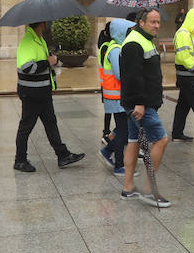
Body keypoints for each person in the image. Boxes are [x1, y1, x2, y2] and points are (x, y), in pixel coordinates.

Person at [14, 20, 85, 173]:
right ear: (40, 24)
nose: (46, 25)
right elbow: (28, 67)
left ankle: (63, 155)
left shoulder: (39, 40)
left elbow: (46, 61)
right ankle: (20, 160)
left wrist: (51, 60)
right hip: (31, 93)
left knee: (51, 122)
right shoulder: (28, 42)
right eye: (44, 23)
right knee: (26, 126)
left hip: (42, 91)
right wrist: (47, 62)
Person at [118, 7, 171, 205]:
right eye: (153, 22)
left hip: (139, 103)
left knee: (134, 141)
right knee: (161, 140)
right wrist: (139, 103)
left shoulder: (143, 40)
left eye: (158, 22)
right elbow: (133, 77)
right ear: (141, 23)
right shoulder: (134, 43)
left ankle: (128, 187)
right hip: (141, 105)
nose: (157, 25)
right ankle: (149, 190)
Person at [99, 18, 133, 173]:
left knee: (123, 129)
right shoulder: (115, 50)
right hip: (116, 97)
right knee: (123, 130)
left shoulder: (117, 47)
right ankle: (119, 165)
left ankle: (107, 151)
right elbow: (120, 75)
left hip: (118, 96)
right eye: (126, 32)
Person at [170, 8, 194, 141]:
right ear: (193, 21)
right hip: (187, 74)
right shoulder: (183, 33)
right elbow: (183, 55)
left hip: (189, 74)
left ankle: (177, 133)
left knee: (183, 106)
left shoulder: (192, 33)